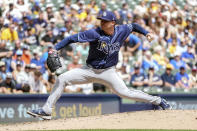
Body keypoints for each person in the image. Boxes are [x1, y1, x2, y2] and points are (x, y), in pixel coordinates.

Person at [27, 11, 171, 120]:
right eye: (101, 21)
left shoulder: (121, 30)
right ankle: (47, 110)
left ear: (113, 22)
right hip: (89, 70)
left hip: (108, 72)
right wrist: (55, 48)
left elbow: (134, 26)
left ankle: (159, 101)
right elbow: (71, 38)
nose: (102, 23)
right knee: (62, 79)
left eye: (105, 21)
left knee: (125, 92)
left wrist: (146, 33)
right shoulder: (94, 33)